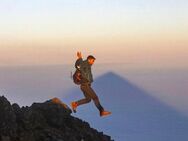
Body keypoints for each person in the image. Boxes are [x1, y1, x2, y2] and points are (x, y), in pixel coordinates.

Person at [71, 52, 111, 117]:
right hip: (85, 85)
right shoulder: (85, 64)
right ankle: (102, 111)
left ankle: (75, 104)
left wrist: (80, 58)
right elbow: (78, 65)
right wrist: (80, 58)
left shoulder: (88, 65)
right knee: (95, 97)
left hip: (84, 85)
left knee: (88, 99)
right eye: (93, 61)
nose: (93, 62)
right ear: (89, 60)